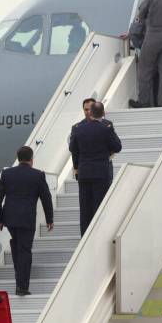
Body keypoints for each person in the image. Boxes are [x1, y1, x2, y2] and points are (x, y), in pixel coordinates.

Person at [0, 145, 53, 296]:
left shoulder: (7, 174)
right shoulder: (38, 175)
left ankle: (20, 281)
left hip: (10, 218)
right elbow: (46, 198)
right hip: (27, 219)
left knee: (18, 247)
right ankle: (22, 287)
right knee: (25, 251)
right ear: (32, 159)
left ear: (18, 159)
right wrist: (49, 218)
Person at [69, 101, 122, 236]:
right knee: (100, 209)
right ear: (103, 113)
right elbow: (117, 147)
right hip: (101, 174)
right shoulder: (106, 128)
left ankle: (84, 239)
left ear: (90, 113)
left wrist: (77, 168)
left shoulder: (78, 129)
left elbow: (73, 149)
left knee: (85, 210)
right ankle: (99, 238)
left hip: (84, 173)